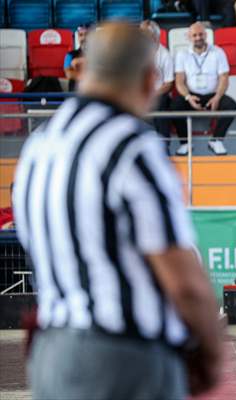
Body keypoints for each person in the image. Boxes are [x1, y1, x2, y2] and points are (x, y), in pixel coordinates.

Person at [12, 22, 223, 398]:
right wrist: (211, 355)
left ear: (83, 70)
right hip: (126, 356)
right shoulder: (132, 146)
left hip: (51, 355)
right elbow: (185, 281)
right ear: (147, 80)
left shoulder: (38, 146)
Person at [171, 22, 236, 156]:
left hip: (212, 95)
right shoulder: (182, 54)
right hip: (192, 96)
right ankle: (185, 143)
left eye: (201, 34)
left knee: (231, 105)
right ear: (189, 37)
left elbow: (224, 77)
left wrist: (217, 97)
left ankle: (216, 140)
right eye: (194, 35)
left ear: (206, 35)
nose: (198, 38)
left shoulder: (218, 52)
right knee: (174, 106)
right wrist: (188, 97)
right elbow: (179, 81)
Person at [140, 20, 175, 139]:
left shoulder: (165, 55)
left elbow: (168, 84)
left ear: (155, 37)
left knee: (160, 104)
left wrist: (152, 94)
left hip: (159, 92)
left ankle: (164, 143)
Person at [63, 24, 89, 92]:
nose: (84, 38)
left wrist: (79, 61)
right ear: (78, 37)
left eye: (87, 34)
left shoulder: (100, 54)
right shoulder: (70, 55)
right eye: (81, 35)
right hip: (76, 93)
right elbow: (68, 74)